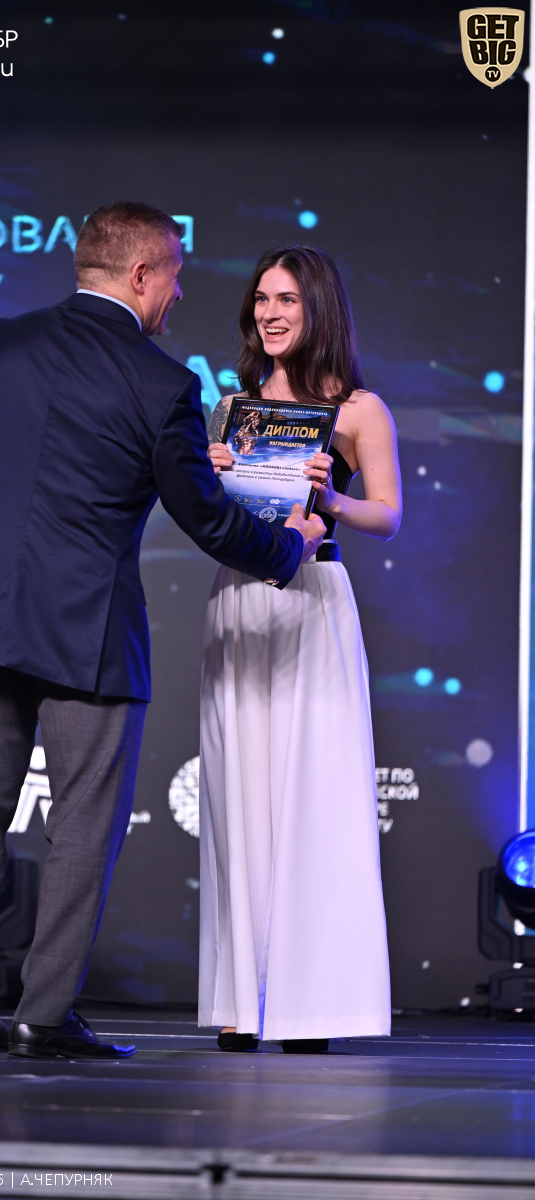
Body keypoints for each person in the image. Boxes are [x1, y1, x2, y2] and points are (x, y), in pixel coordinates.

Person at [0, 201, 326, 1060]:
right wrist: (290, 547)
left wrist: (2, 524)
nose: (179, 295)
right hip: (87, 634)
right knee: (81, 827)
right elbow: (207, 520)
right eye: (174, 276)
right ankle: (43, 1016)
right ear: (141, 275)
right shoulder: (162, 383)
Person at [198, 245, 402, 1053]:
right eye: (261, 299)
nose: (270, 313)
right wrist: (209, 475)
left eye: (286, 299)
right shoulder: (233, 409)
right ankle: (242, 1002)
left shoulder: (358, 409)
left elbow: (388, 514)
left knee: (314, 795)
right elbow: (211, 515)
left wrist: (334, 499)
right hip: (239, 597)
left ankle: (311, 1005)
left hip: (314, 598)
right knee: (239, 797)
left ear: (318, 306)